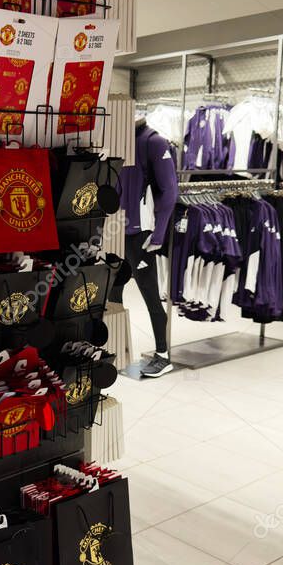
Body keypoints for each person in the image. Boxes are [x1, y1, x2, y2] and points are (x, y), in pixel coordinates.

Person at [109, 113, 179, 377]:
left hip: (141, 233)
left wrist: (159, 233)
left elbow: (170, 190)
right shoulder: (118, 140)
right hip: (116, 230)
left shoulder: (154, 141)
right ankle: (116, 348)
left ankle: (163, 355)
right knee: (112, 293)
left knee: (150, 294)